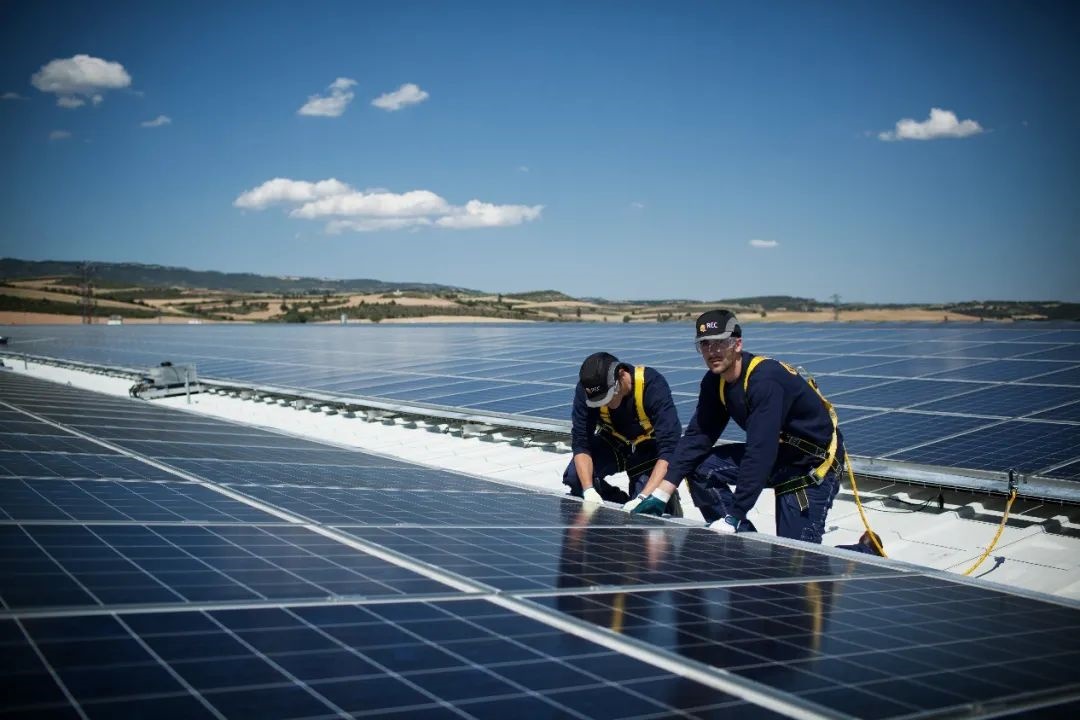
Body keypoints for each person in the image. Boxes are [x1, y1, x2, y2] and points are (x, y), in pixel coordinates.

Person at [633, 309, 843, 543]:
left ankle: (866, 550)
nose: (712, 351)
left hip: (809, 465)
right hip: (778, 457)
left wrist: (735, 514)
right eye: (705, 344)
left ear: (738, 344)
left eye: (720, 343)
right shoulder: (715, 382)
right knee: (700, 468)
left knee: (796, 557)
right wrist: (662, 493)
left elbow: (760, 451)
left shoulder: (765, 381)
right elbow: (697, 437)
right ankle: (742, 543)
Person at [565, 351, 683, 516]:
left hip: (648, 449)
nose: (605, 403)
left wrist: (642, 497)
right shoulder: (588, 389)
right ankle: (617, 508)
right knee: (575, 478)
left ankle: (667, 502)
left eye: (608, 397)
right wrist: (589, 490)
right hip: (613, 441)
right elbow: (581, 442)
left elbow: (669, 449)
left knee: (646, 509)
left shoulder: (652, 385)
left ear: (621, 374)